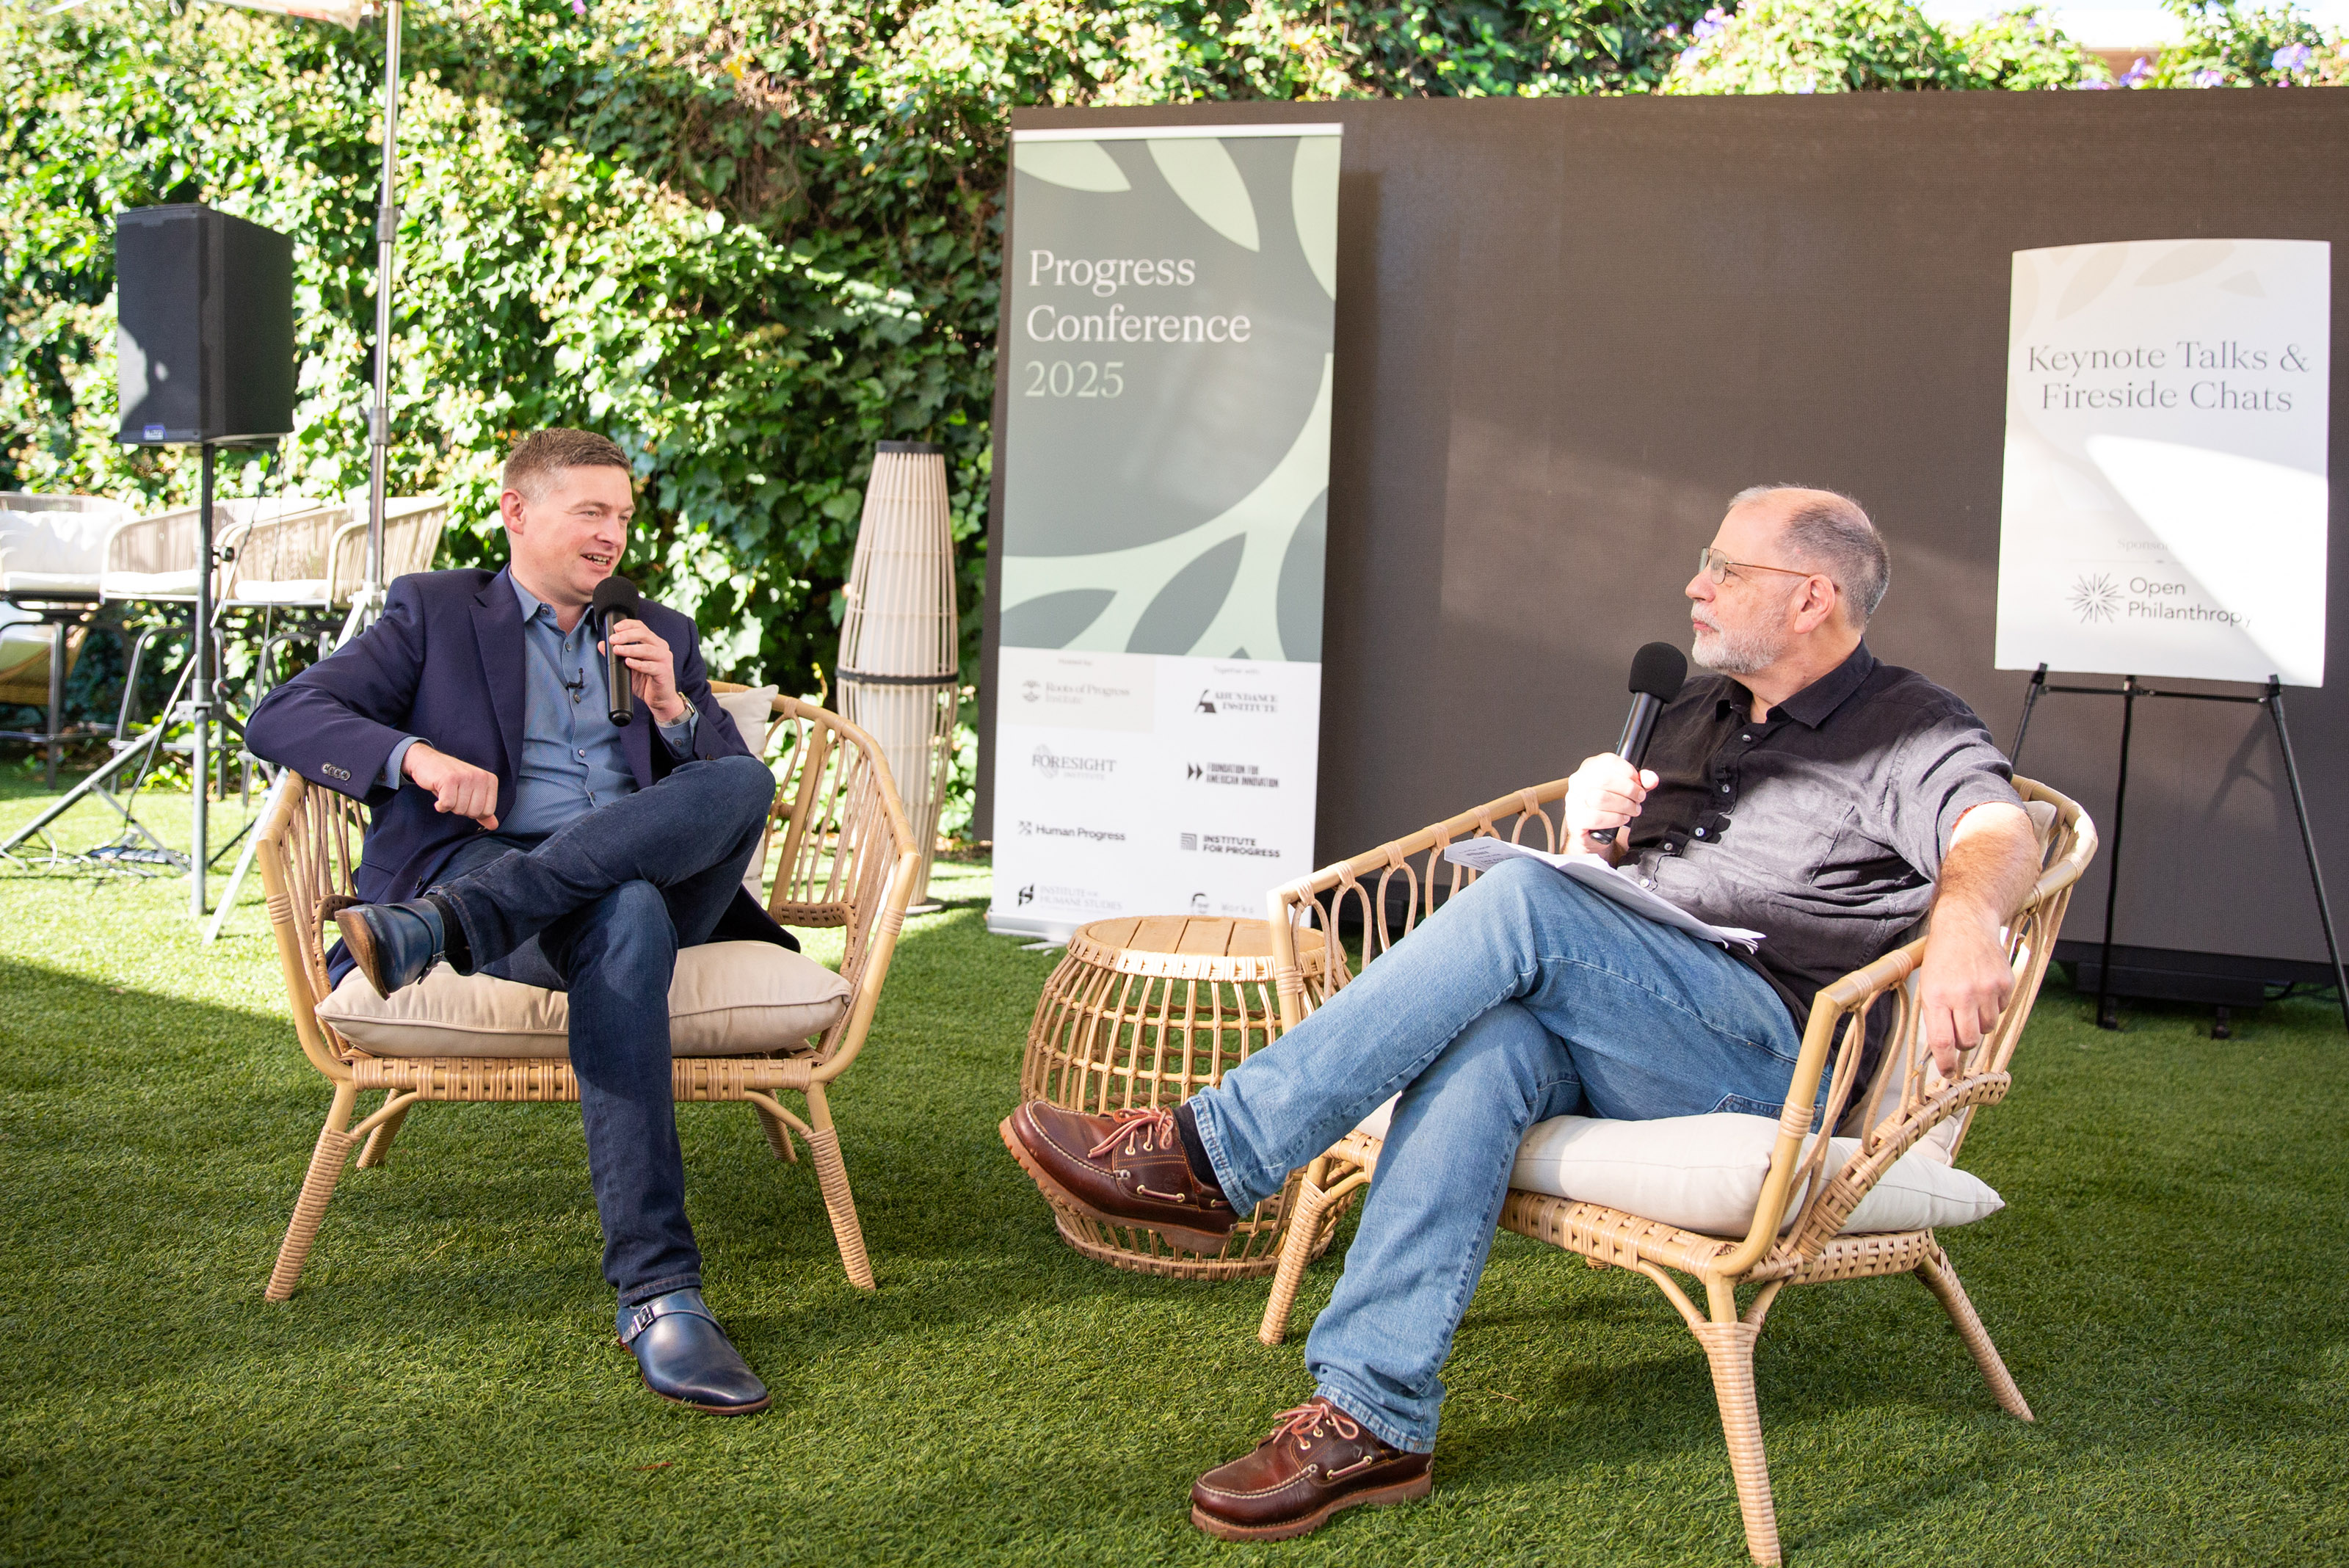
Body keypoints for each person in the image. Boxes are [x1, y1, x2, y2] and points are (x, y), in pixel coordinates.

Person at [1001, 485, 2043, 1542]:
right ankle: (1373, 1415)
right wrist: (1593, 843)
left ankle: (1214, 1155)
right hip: (1624, 1021)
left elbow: (2001, 828)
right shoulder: (1701, 711)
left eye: (1727, 569)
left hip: (1770, 1058)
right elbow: (1625, 896)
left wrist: (1962, 927)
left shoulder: (1907, 724)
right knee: (1496, 1039)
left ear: (1814, 596)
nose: (1697, 585)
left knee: (1525, 903)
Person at [247, 429, 794, 1416]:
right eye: (591, 511)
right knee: (620, 913)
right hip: (499, 859)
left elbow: (722, 789)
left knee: (740, 778)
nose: (612, 534)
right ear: (517, 512)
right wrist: (413, 756)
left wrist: (673, 703)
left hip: (630, 890)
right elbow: (283, 713)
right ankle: (661, 1297)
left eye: (623, 515)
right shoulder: (437, 613)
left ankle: (443, 929)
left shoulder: (656, 628)